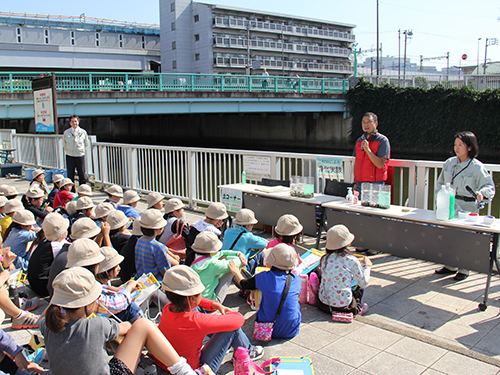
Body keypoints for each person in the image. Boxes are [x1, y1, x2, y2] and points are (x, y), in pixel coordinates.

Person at [39, 267, 199, 375]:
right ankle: (184, 371)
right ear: (87, 304)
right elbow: (127, 327)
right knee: (143, 325)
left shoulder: (46, 323)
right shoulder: (96, 325)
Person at [156, 265, 263, 372]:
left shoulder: (167, 308)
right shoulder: (197, 321)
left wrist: (213, 304)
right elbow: (238, 320)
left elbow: (195, 301)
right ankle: (247, 351)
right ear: (193, 298)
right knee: (232, 329)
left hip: (167, 364)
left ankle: (235, 347)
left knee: (195, 309)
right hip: (194, 370)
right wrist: (228, 315)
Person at [434, 131, 496, 281]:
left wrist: (481, 193)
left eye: (460, 145)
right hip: (449, 204)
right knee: (448, 235)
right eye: (455, 144)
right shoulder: (449, 163)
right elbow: (440, 182)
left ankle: (464, 268)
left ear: (469, 147)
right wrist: (438, 198)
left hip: (467, 206)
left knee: (465, 238)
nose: (457, 148)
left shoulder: (477, 167)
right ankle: (450, 265)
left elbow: (489, 187)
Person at [230, 243, 301, 339]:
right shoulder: (296, 280)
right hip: (291, 329)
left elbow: (244, 284)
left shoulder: (264, 277)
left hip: (265, 330)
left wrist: (236, 272)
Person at [317, 225, 371, 322]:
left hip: (323, 303)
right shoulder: (351, 260)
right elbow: (364, 283)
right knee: (358, 287)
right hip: (343, 306)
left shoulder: (325, 258)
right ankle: (360, 308)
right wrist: (367, 267)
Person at [190, 232, 245, 303]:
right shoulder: (213, 264)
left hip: (199, 302)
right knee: (233, 269)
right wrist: (235, 256)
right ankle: (245, 288)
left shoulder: (196, 258)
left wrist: (237, 253)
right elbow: (233, 263)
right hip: (211, 303)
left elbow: (220, 254)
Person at [95, 246, 144, 323]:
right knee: (131, 308)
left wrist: (124, 288)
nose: (119, 268)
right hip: (105, 319)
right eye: (116, 266)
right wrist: (129, 286)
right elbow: (115, 304)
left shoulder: (99, 282)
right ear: (106, 271)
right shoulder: (96, 290)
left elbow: (108, 288)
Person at [28, 212, 70, 297]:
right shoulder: (56, 246)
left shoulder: (43, 241)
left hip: (33, 282)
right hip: (43, 288)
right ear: (63, 233)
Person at [221, 209, 267, 275]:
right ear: (248, 225)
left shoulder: (227, 231)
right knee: (261, 253)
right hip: (240, 268)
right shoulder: (248, 237)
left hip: (225, 264)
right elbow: (265, 244)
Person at [353, 112, 391, 192]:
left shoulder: (382, 141)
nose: (366, 125)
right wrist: (355, 182)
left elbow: (380, 164)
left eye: (369, 122)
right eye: (364, 122)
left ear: (376, 124)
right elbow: (357, 162)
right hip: (360, 184)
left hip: (375, 184)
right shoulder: (359, 140)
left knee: (374, 205)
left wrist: (368, 150)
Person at [135, 209, 177, 281]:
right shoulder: (158, 247)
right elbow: (165, 270)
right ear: (158, 229)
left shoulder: (139, 241)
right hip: (155, 282)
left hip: (141, 279)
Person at [63, 115, 89, 190]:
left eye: (75, 121)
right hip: (70, 155)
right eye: (72, 121)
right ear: (70, 123)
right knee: (70, 174)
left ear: (78, 122)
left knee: (82, 174)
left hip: (80, 155)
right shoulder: (67, 132)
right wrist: (68, 149)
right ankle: (72, 191)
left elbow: (86, 143)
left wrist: (81, 150)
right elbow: (64, 144)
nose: (74, 123)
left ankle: (83, 190)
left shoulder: (83, 132)